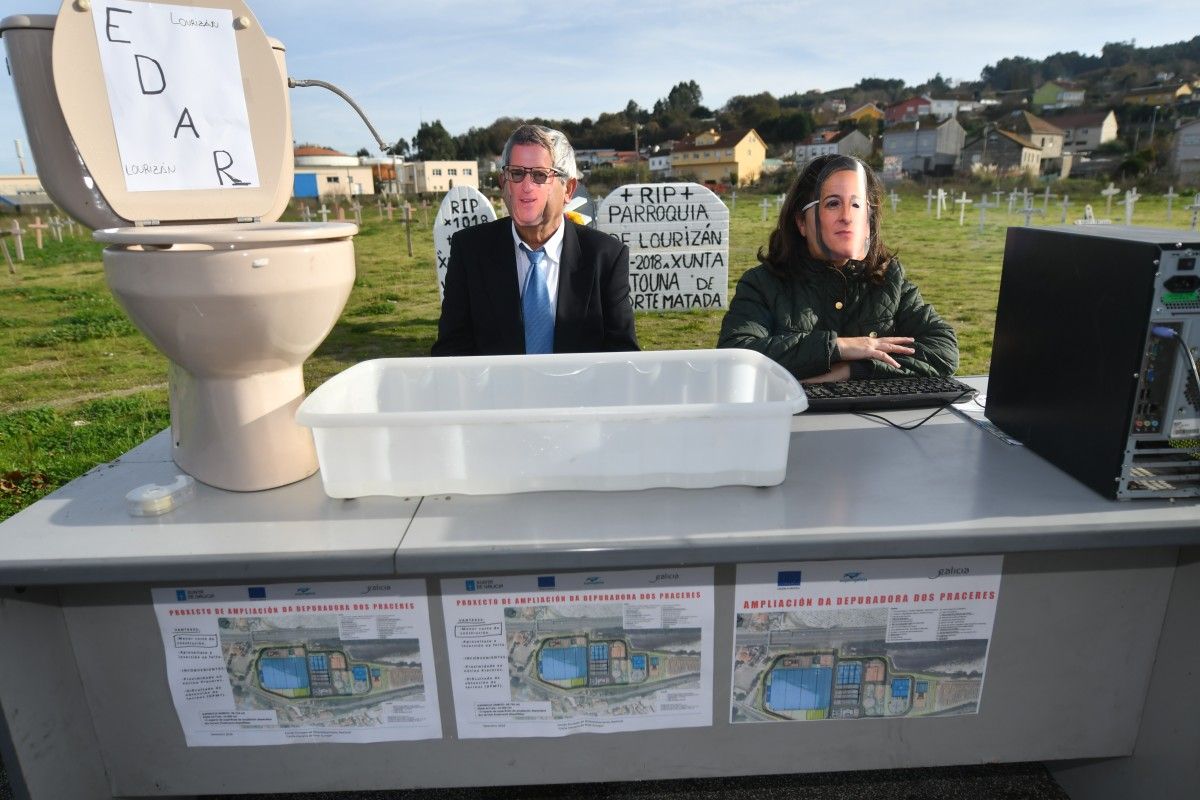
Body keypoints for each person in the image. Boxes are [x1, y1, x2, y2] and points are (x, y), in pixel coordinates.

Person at [717, 154, 957, 382]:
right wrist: (839, 348)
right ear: (801, 221)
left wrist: (854, 368)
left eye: (856, 205)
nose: (847, 217)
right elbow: (734, 356)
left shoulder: (887, 280)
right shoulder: (763, 284)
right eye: (832, 204)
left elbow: (944, 350)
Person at [432, 124, 639, 356]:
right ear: (504, 183)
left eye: (540, 175)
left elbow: (623, 356)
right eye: (517, 174)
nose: (526, 188)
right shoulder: (469, 251)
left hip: (578, 390)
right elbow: (450, 353)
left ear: (569, 189)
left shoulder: (606, 257)